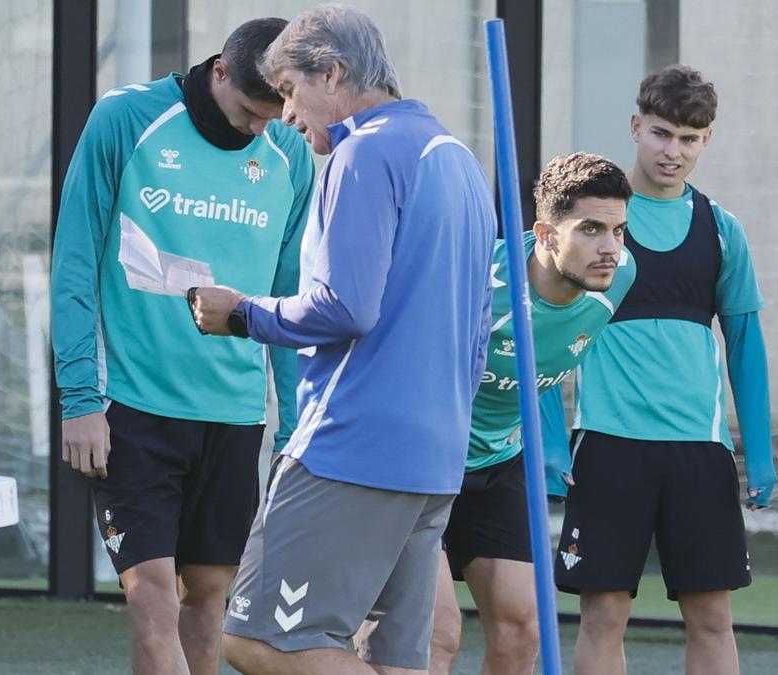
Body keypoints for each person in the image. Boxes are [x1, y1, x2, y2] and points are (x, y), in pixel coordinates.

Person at [191, 6, 496, 674]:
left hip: (352, 446)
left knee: (258, 637)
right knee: (391, 656)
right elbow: (481, 331)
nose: (286, 116)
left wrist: (242, 312)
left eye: (292, 94)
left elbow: (343, 308)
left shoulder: (364, 151)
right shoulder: (460, 161)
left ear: (332, 72)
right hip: (436, 456)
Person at [50, 17, 314, 675]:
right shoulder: (125, 118)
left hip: (233, 414)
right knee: (152, 600)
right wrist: (80, 396)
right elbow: (75, 261)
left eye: (274, 115)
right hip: (129, 408)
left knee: (208, 602)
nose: (262, 130)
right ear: (220, 71)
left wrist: (296, 423)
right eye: (253, 113)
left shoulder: (291, 152)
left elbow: (289, 295)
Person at [552, 65, 776, 675]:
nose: (672, 151)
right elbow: (541, 333)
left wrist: (757, 450)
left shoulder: (721, 230)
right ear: (635, 127)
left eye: (688, 138)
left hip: (697, 452)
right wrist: (549, 439)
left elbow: (745, 342)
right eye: (660, 133)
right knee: (604, 616)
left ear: (705, 141)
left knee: (712, 618)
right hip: (608, 447)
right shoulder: (594, 222)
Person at [414, 153, 636, 675]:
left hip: (500, 460)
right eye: (590, 229)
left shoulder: (618, 276)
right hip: (420, 465)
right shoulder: (473, 285)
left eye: (619, 230)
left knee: (523, 629)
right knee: (434, 634)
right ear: (544, 234)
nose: (610, 249)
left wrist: (553, 448)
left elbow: (546, 364)